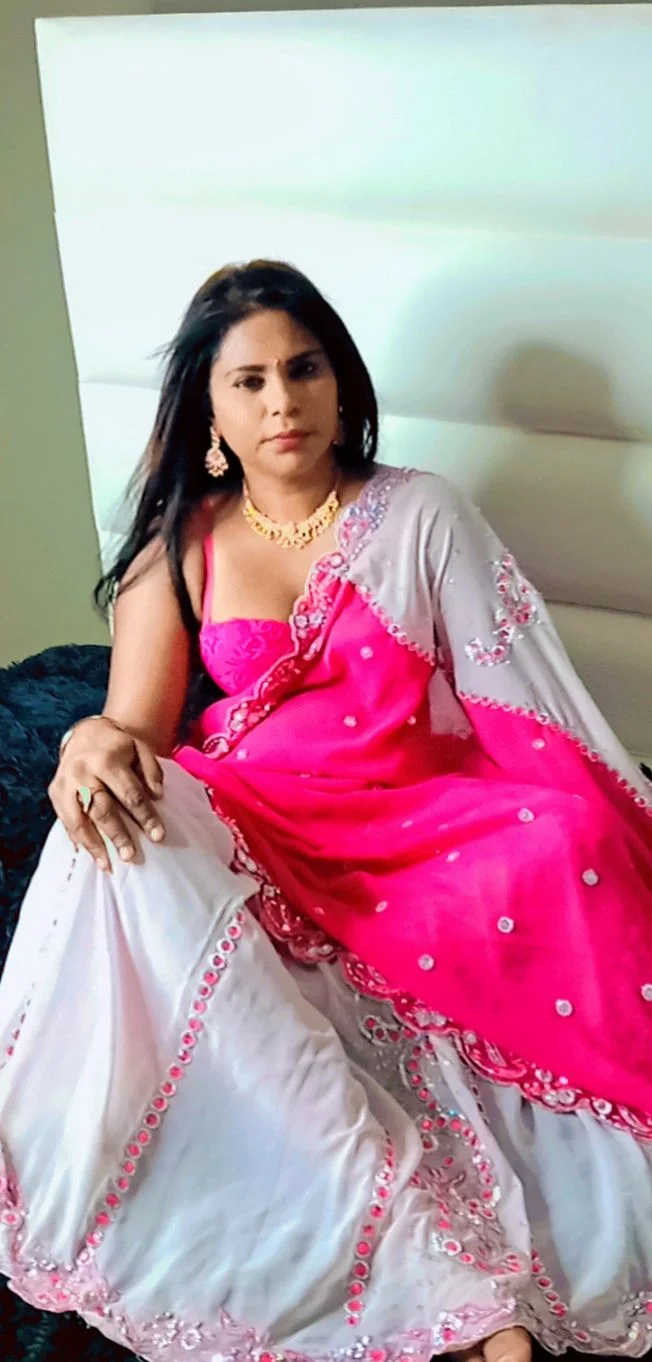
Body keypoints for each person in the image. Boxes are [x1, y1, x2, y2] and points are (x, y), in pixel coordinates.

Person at [1, 261, 652, 1362]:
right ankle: (433, 1282)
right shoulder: (183, 537)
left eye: (302, 370)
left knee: (567, 836)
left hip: (413, 813)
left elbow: (521, 703)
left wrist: (603, 820)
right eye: (248, 381)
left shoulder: (421, 512)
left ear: (341, 384)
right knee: (109, 833)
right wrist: (88, 745)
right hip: (257, 813)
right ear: (209, 412)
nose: (282, 403)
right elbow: (136, 726)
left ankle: (454, 1276)